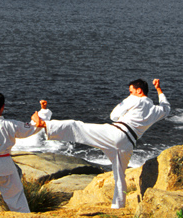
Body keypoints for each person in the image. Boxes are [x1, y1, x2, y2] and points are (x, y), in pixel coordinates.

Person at [33, 78, 170, 209]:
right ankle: (118, 207)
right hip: (128, 143)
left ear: (139, 91)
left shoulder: (135, 99)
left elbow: (114, 115)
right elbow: (166, 107)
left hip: (116, 133)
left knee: (77, 126)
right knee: (120, 176)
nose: (130, 93)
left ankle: (44, 124)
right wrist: (158, 89)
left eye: (131, 91)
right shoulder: (155, 110)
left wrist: (125, 114)